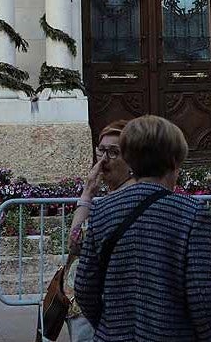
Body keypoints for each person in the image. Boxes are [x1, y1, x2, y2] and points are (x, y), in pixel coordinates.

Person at [75, 115, 211, 342]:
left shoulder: (102, 210)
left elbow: (85, 287)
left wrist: (110, 325)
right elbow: (201, 296)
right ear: (174, 162)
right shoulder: (191, 212)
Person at [63, 120, 133, 342]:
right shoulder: (114, 195)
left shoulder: (120, 200)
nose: (103, 160)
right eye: (101, 150)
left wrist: (86, 195)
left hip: (103, 307)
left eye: (114, 153)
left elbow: (75, 242)